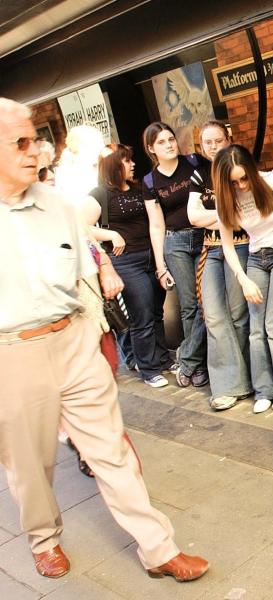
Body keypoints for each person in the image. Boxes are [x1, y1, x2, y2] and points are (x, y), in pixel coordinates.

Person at [0, 97, 208, 582]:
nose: (37, 152)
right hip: (13, 353)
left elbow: (83, 263)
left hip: (75, 340)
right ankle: (43, 539)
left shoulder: (59, 205)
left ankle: (158, 549)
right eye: (21, 143)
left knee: (111, 449)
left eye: (38, 140)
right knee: (30, 465)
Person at [213, 144, 273, 413]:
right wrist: (243, 279)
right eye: (234, 181)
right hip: (254, 259)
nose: (241, 185)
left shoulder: (272, 180)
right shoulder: (225, 199)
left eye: (244, 178)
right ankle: (265, 390)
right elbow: (227, 245)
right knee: (255, 330)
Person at [84, 143, 171, 388]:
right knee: (141, 315)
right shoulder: (100, 193)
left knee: (156, 312)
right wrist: (111, 236)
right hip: (126, 262)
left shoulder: (138, 187)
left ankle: (162, 358)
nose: (133, 164)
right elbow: (80, 226)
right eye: (127, 160)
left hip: (150, 257)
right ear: (114, 165)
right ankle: (148, 369)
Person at [187, 121, 254, 410]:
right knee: (213, 316)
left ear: (229, 139)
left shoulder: (239, 168)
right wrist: (225, 216)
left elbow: (245, 217)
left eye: (217, 141)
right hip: (210, 249)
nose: (213, 147)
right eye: (207, 143)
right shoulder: (199, 174)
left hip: (240, 245)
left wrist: (216, 216)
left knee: (239, 315)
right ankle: (226, 385)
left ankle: (246, 381)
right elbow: (193, 216)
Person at [142, 121, 209, 388]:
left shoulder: (193, 162)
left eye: (171, 139)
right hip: (176, 242)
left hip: (204, 236)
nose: (169, 145)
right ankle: (198, 366)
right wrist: (161, 266)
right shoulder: (149, 181)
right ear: (151, 149)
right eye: (162, 142)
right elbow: (156, 225)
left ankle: (190, 359)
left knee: (208, 305)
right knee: (190, 306)